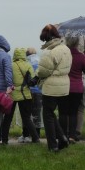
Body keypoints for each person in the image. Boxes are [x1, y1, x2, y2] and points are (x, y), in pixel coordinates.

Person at [36, 24, 72, 152]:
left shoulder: (51, 51)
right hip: (64, 86)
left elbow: (43, 71)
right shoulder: (66, 49)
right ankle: (62, 137)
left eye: (44, 39)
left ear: (48, 37)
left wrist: (36, 77)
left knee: (47, 115)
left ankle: (52, 145)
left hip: (51, 87)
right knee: (53, 114)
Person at [0, 48, 40, 144]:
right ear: (23, 55)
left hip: (12, 94)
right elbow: (33, 79)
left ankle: (4, 140)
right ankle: (35, 138)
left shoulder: (11, 65)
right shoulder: (28, 65)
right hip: (25, 94)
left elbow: (7, 78)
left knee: (8, 118)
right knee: (26, 118)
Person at [60, 37, 85, 143]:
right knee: (73, 112)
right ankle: (72, 136)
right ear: (77, 44)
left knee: (63, 112)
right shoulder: (81, 56)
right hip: (77, 88)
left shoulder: (64, 55)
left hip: (64, 86)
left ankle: (63, 135)